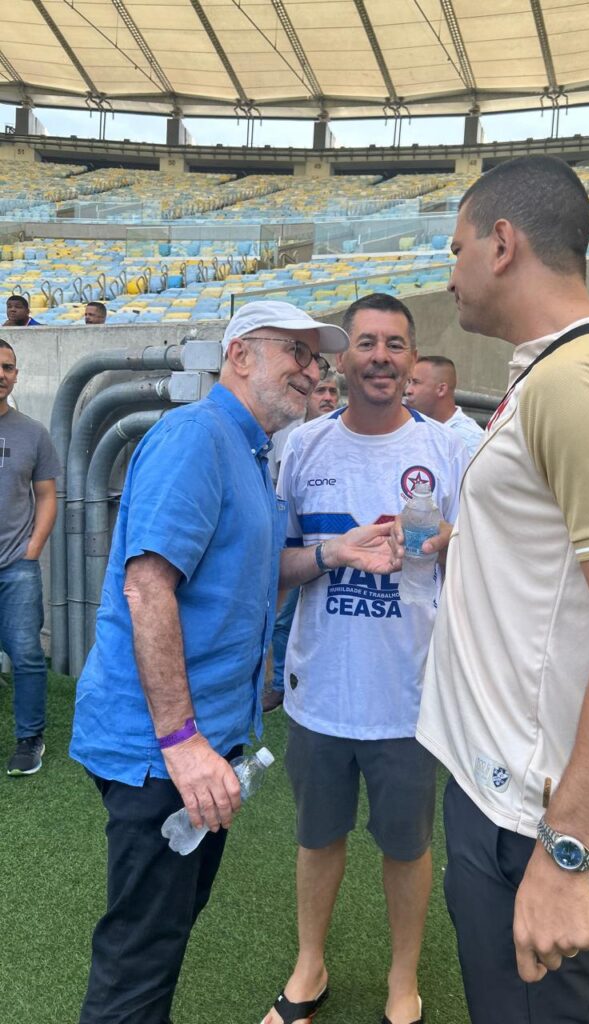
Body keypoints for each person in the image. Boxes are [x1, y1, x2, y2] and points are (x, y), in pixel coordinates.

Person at [408, 157, 589, 1024]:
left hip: (533, 813)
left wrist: (565, 854)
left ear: (502, 245)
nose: (446, 274)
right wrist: (464, 540)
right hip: (504, 792)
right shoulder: (553, 369)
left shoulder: (581, 379)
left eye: (455, 249)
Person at [69, 300, 392, 1024]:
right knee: (141, 954)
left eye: (316, 358)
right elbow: (148, 586)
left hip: (196, 750)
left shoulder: (246, 450)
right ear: (240, 354)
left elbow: (246, 567)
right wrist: (184, 744)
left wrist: (335, 552)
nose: (313, 372)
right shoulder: (198, 437)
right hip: (160, 755)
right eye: (297, 354)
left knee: (163, 933)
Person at [262, 293, 468, 1024]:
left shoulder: (450, 450)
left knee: (407, 847)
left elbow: (489, 563)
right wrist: (330, 552)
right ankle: (309, 968)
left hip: (408, 695)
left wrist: (449, 540)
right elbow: (270, 564)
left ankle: (401, 981)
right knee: (317, 838)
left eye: (396, 345)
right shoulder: (302, 448)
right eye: (368, 343)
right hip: (319, 687)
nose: (381, 356)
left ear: (413, 361)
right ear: (342, 358)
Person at [264, 373, 341, 714]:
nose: (327, 397)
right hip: (298, 543)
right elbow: (284, 491)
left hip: (340, 545)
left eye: (333, 391)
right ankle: (280, 684)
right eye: (320, 390)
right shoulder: (294, 437)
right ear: (307, 397)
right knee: (282, 619)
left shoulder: (345, 435)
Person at [0, 339, 60, 775]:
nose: (1, 374)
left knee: (25, 654)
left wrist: (33, 548)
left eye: (8, 367)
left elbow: (46, 496)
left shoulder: (33, 433)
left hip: (16, 565)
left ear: (16, 375)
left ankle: (29, 739)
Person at [404, 355, 485, 455]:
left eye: (416, 382)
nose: (408, 390)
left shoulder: (470, 440)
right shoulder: (411, 428)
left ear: (441, 389)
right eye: (409, 382)